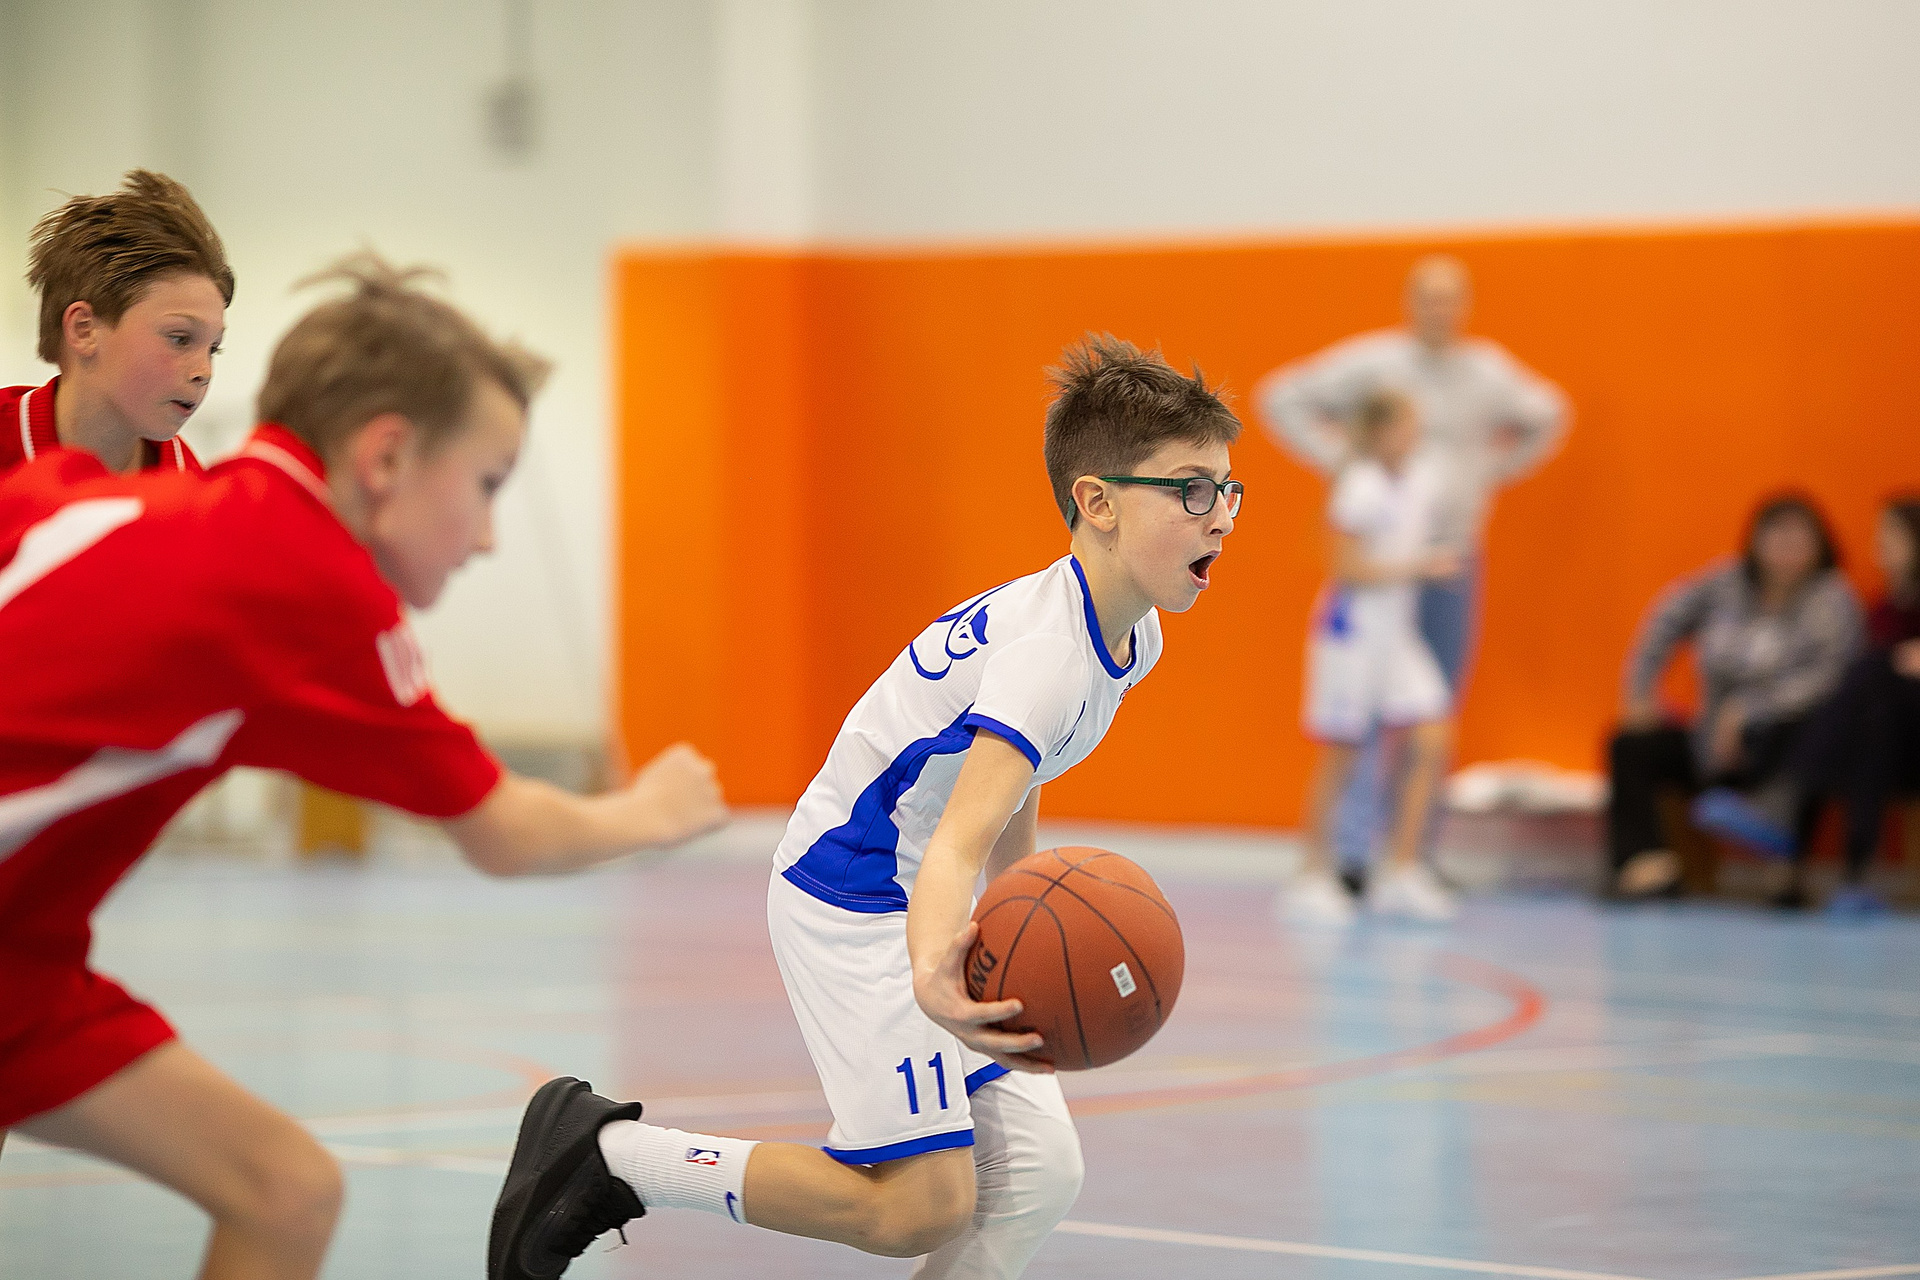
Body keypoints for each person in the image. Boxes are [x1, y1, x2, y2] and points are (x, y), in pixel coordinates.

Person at [0, 255, 727, 1280]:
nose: (487, 537)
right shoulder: (304, 581)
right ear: (385, 455)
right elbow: (507, 833)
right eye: (485, 486)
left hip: (24, 958)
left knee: (284, 1190)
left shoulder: (100, 498)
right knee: (284, 1191)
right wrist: (654, 809)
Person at [488, 335, 1242, 1280]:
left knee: (1040, 1173)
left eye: (1228, 489)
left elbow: (1013, 784)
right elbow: (954, 843)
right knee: (916, 1208)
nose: (1220, 516)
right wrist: (934, 972)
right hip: (854, 898)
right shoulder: (1048, 656)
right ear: (1097, 502)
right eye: (1190, 490)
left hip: (915, 889)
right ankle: (613, 1158)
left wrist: (1016, 909)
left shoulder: (1130, 636)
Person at [1257, 255, 1567, 885]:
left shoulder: (1486, 372)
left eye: (1451, 298)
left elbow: (1549, 413)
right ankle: (1349, 856)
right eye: (1428, 297)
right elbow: (1281, 396)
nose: (1439, 310)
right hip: (1378, 583)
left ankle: (1410, 856)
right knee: (1361, 723)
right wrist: (1342, 459)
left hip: (1450, 558)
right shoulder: (1374, 373)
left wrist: (1490, 471)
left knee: (1431, 715)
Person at [1607, 494, 1861, 899]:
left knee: (1811, 734)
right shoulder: (1724, 583)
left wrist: (1750, 710)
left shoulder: (1831, 598)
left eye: (1798, 540)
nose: (1786, 550)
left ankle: (1785, 868)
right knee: (1631, 744)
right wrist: (1641, 690)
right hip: (1711, 742)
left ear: (1820, 546)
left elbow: (1833, 676)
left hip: (1778, 748)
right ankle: (1646, 866)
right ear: (1755, 541)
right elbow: (1666, 618)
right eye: (1776, 536)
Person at [1279, 389, 1461, 926]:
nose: (1416, 436)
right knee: (1342, 751)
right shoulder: (1359, 486)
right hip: (1353, 631)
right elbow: (1347, 569)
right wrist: (1422, 567)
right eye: (1406, 426)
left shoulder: (1420, 480)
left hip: (1397, 634)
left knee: (1431, 736)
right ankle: (1313, 873)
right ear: (1381, 432)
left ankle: (1401, 869)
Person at [1697, 496, 1920, 913]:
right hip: (1884, 739)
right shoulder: (1886, 608)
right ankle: (1852, 876)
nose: (1880, 547)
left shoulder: (1836, 600)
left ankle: (1777, 806)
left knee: (1868, 673)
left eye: (1890, 537)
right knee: (1869, 723)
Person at [3, 170, 232, 474]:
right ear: (84, 330)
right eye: (179, 339)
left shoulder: (186, 480)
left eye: (213, 348)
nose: (204, 372)